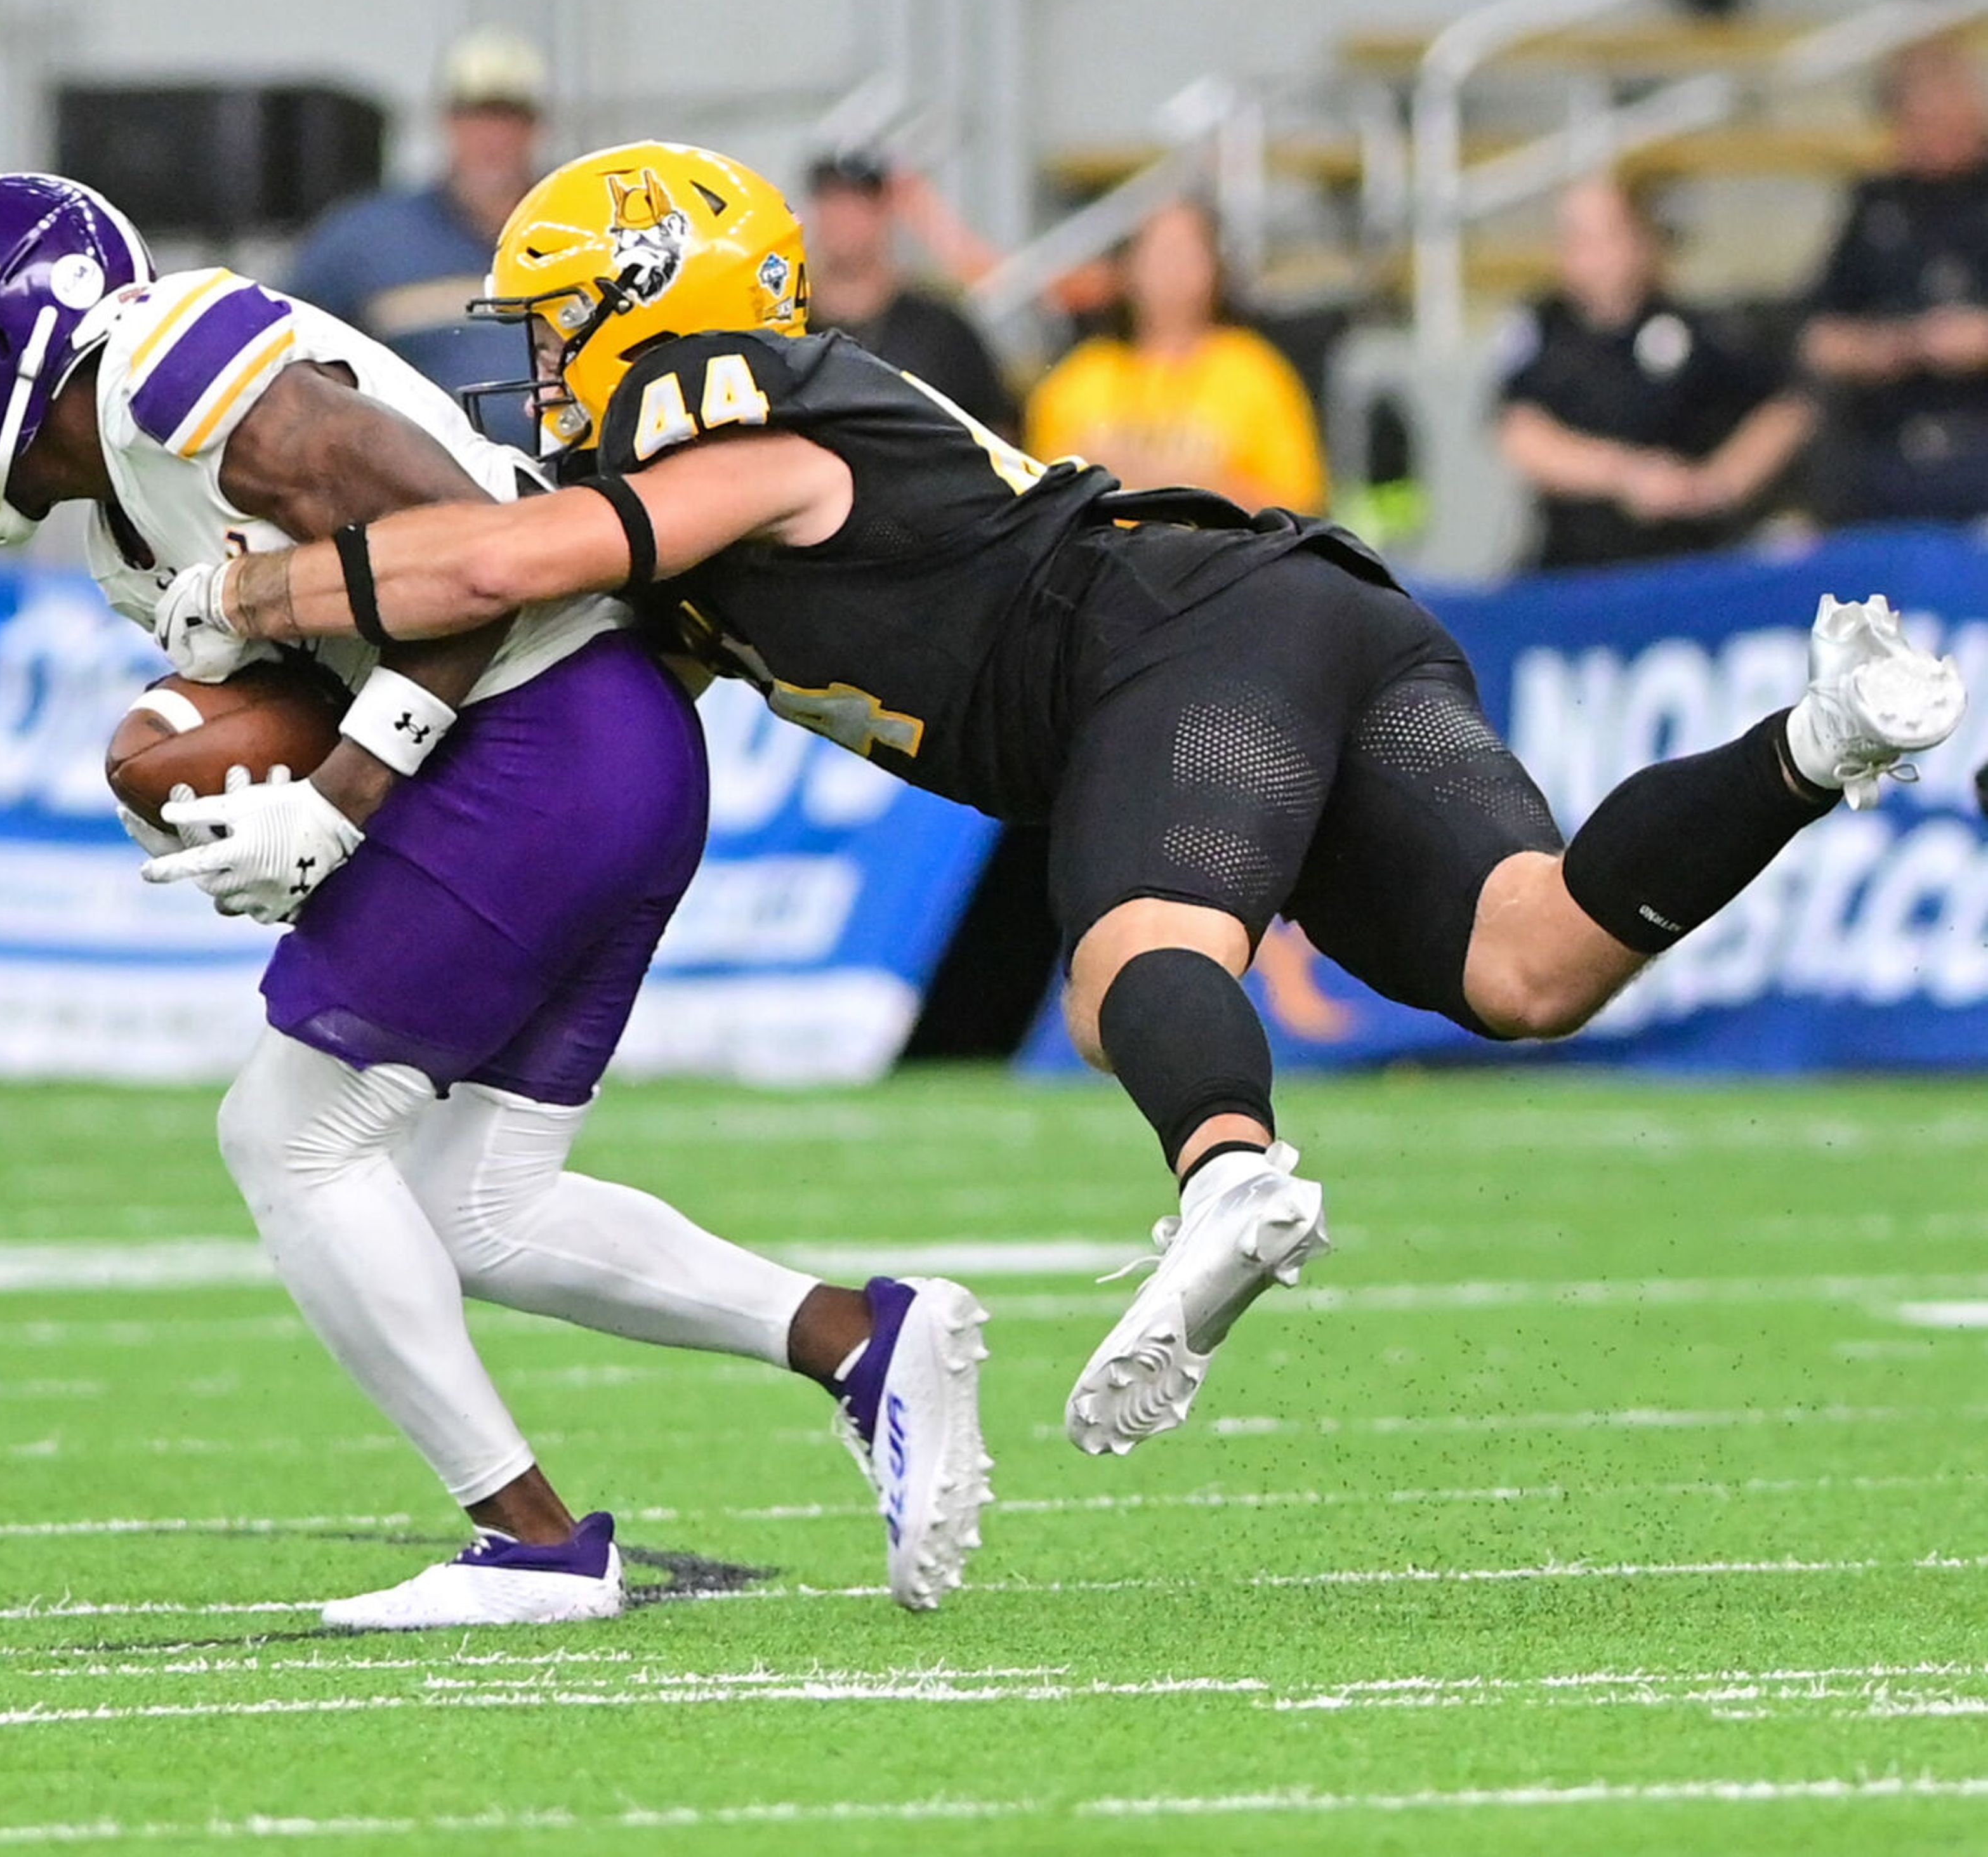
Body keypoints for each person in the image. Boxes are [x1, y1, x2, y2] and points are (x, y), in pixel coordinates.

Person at [159, 140, 1968, 1460]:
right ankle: (1814, 745)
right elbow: (566, 647)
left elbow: (515, 561)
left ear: (658, 315)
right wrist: (346, 766)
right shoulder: (728, 489)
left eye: (562, 325)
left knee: (1126, 974)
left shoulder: (756, 436)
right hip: (1304, 608)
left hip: (1167, 637)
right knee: (1532, 960)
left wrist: (250, 594)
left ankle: (1233, 1175)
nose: (542, 368)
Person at [0, 173, 991, 1627]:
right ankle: (858, 1343)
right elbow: (333, 646)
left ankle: (532, 1542)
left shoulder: (168, 372)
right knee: (478, 1206)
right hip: (591, 743)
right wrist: (224, 778)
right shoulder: (121, 527)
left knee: (288, 1134)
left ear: (14, 355)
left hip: (547, 728)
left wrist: (338, 804)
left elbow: (461, 556)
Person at [1497, 177, 1812, 570]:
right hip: (1573, 560)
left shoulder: (1691, 330)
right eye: (1575, 239)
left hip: (1681, 557)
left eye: (1605, 237)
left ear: (1641, 241)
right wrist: (1628, 475)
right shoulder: (1544, 329)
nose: (1590, 256)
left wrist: (1718, 485)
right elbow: (1522, 435)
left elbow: (1786, 408)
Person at [281, 29, 551, 450]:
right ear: (446, 122)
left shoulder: (581, 232)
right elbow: (287, 351)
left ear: (536, 127)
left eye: (510, 118)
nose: (493, 137)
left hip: (573, 489)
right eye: (476, 116)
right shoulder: (365, 239)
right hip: (421, 490)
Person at [1023, 197, 1325, 513]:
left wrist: (1190, 484)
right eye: (1158, 254)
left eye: (1186, 254)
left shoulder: (1254, 371)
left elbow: (1300, 507)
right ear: (1128, 268)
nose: (1172, 271)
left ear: (1215, 267)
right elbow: (1039, 501)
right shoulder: (1080, 377)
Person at [1801, 38, 1988, 523]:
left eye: (1953, 114)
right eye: (1923, 120)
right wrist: (1890, 347)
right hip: (1894, 440)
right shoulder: (1876, 208)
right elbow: (1818, 337)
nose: (1942, 133)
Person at [803, 150, 1018, 440]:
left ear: (885, 212)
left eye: (859, 203)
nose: (844, 218)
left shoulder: (942, 329)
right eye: (833, 202)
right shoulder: (787, 328)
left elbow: (997, 432)